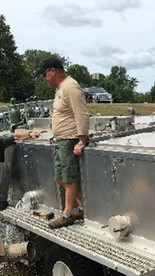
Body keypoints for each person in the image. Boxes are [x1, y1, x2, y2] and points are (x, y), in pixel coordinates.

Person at [38, 56, 90, 228]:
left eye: (45, 75)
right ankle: (85, 206)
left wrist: (81, 141)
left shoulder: (71, 86)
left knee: (69, 178)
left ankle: (67, 214)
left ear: (52, 71)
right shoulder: (61, 88)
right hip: (61, 141)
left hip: (69, 140)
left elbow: (81, 113)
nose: (45, 79)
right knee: (60, 178)